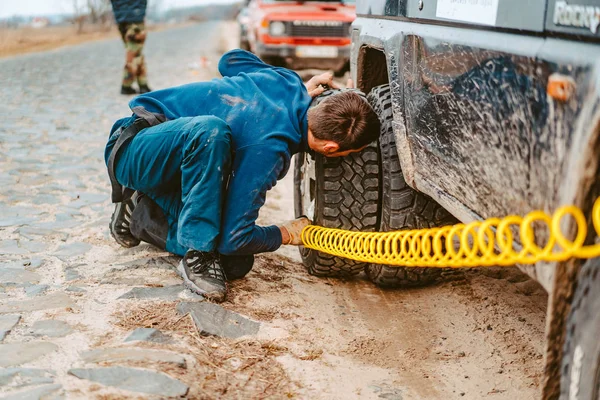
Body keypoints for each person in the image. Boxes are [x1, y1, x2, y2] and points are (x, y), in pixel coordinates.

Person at [105, 49, 380, 302]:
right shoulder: (269, 149)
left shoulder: (287, 80)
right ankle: (197, 255)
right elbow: (234, 238)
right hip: (136, 146)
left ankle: (141, 213)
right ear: (331, 148)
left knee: (236, 263)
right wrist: (285, 234)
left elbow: (230, 60)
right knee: (210, 132)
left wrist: (291, 86)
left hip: (180, 166)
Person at [110, 0, 152, 95]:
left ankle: (143, 85)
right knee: (134, 54)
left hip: (121, 19)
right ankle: (126, 85)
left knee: (136, 52)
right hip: (135, 16)